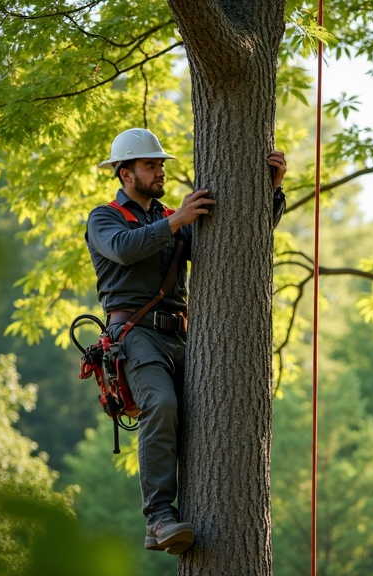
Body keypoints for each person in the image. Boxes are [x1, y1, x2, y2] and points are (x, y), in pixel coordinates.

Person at [85, 128, 286, 555]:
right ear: (125, 174)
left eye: (160, 164)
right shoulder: (105, 218)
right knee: (161, 403)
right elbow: (123, 249)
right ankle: (158, 518)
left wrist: (268, 193)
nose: (159, 171)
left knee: (208, 415)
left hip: (184, 338)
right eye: (150, 165)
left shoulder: (172, 218)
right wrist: (176, 221)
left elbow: (236, 241)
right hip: (135, 336)